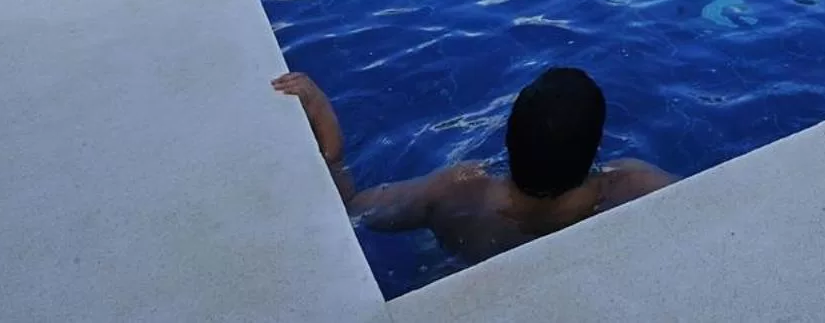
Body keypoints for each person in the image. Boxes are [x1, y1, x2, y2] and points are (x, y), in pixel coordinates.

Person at [272, 68, 675, 266]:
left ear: (507, 140)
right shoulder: (631, 186)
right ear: (596, 148)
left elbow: (352, 211)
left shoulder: (457, 192)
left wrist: (330, 135)